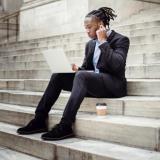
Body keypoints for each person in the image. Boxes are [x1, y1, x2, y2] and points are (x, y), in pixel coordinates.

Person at [17, 7, 130, 140]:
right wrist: (77, 69)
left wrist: (103, 42)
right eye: (85, 27)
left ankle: (65, 125)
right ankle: (39, 119)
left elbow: (117, 65)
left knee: (82, 76)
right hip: (95, 84)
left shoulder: (121, 40)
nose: (87, 31)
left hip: (113, 85)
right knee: (59, 75)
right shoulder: (90, 44)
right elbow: (88, 69)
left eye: (89, 27)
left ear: (101, 25)